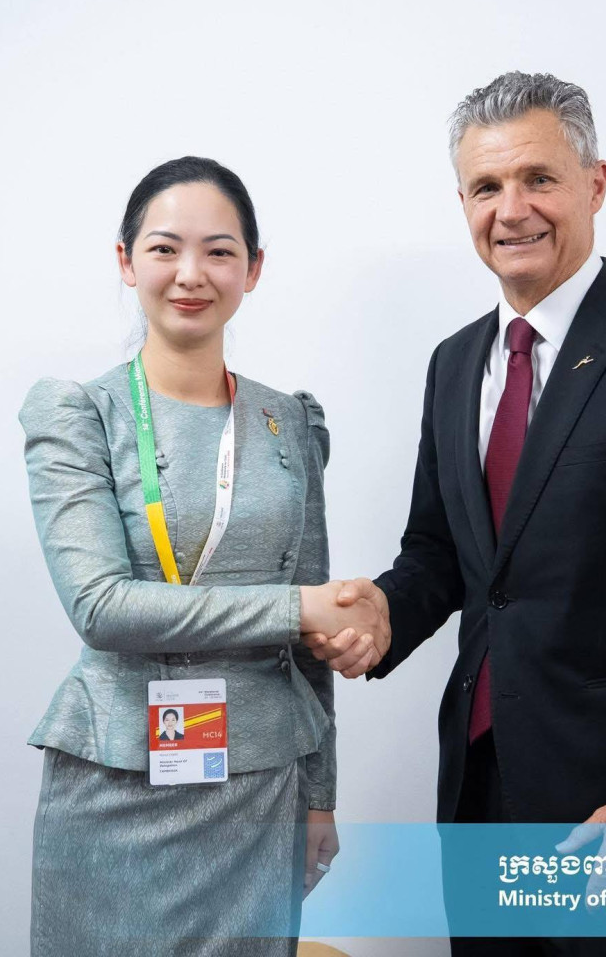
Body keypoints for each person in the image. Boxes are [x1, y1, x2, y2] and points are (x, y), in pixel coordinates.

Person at [308, 72, 606, 956]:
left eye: (539, 179)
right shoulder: (454, 363)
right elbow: (442, 553)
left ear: (596, 184)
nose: (512, 209)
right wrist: (381, 612)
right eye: (486, 187)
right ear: (463, 204)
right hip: (479, 791)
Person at [19, 156, 387, 956]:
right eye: (164, 249)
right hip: (116, 783)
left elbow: (313, 644)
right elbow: (101, 607)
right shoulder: (81, 413)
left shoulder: (289, 422)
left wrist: (320, 794)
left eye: (220, 251)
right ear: (127, 261)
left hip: (260, 791)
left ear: (253, 269)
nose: (191, 274)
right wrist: (297, 608)